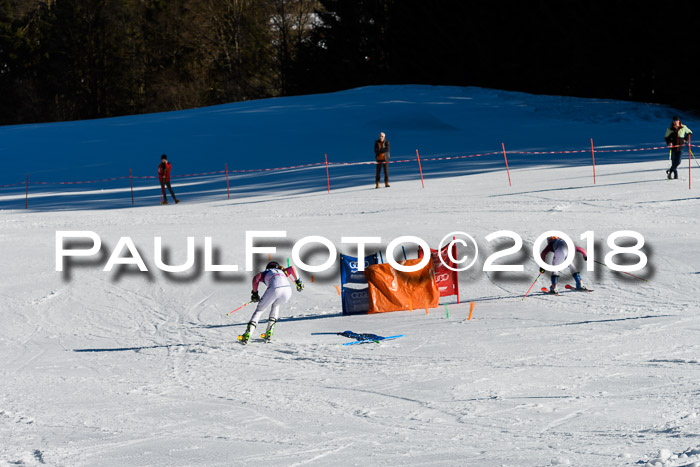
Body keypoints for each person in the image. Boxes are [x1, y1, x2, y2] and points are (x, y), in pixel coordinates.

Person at [240, 261, 304, 344]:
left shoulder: (266, 272)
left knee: (259, 310)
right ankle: (269, 333)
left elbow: (256, 278)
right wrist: (298, 281)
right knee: (276, 305)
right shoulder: (282, 271)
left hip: (275, 288)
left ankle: (248, 334)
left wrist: (255, 293)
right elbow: (292, 268)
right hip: (288, 291)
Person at [664, 116, 693, 180]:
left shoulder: (683, 127)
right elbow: (666, 137)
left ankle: (670, 171)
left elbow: (690, 133)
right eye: (674, 120)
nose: (675, 122)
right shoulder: (670, 129)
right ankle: (675, 175)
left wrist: (685, 139)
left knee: (678, 162)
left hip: (680, 147)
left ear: (679, 121)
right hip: (673, 147)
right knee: (673, 162)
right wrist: (669, 142)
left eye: (676, 120)